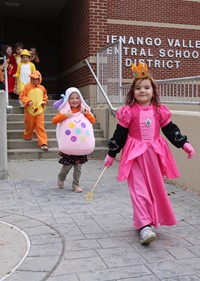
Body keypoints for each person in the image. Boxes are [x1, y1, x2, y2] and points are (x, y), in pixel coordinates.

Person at [104, 63, 195, 245]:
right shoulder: (128, 112)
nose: (142, 91)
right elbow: (119, 134)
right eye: (138, 88)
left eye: (146, 87)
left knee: (154, 190)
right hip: (134, 157)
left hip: (153, 156)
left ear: (153, 91)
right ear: (133, 92)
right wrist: (111, 153)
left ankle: (148, 220)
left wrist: (183, 143)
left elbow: (170, 130)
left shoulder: (159, 111)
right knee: (139, 191)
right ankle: (145, 227)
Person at [52, 87, 96, 193]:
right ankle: (61, 177)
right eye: (72, 98)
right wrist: (64, 116)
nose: (75, 100)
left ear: (80, 99)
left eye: (77, 98)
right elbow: (54, 120)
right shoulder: (64, 111)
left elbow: (93, 120)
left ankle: (76, 185)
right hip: (69, 146)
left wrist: (86, 112)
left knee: (78, 167)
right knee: (67, 166)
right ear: (67, 99)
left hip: (81, 146)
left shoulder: (84, 111)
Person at [19, 70, 49, 151]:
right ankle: (27, 135)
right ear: (31, 79)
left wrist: (45, 101)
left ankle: (43, 143)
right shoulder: (27, 87)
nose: (34, 80)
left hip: (40, 110)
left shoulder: (42, 88)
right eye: (33, 79)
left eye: (36, 79)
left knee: (40, 126)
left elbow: (45, 96)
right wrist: (28, 101)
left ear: (39, 79)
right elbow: (22, 96)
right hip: (30, 110)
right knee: (29, 124)